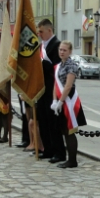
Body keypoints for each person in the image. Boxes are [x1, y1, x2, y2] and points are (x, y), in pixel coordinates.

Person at [51, 41, 86, 168]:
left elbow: (68, 86)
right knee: (64, 130)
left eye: (64, 50)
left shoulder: (72, 65)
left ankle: (72, 160)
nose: (62, 52)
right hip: (60, 100)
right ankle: (68, 158)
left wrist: (60, 101)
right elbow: (56, 85)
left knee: (70, 131)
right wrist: (54, 100)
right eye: (60, 49)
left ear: (70, 51)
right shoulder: (59, 65)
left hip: (69, 101)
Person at [35, 19, 66, 162]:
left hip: (53, 89)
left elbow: (57, 68)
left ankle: (58, 152)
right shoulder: (41, 46)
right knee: (43, 120)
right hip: (42, 88)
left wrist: (43, 64)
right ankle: (47, 149)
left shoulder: (57, 45)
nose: (39, 34)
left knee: (54, 122)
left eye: (41, 31)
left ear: (49, 30)